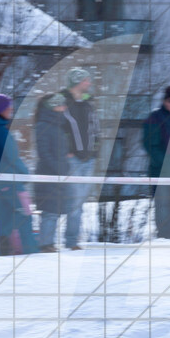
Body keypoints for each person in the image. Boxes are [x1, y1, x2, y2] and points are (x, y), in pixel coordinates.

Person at [0, 93, 37, 254]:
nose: (11, 110)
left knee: (4, 223)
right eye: (9, 107)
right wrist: (25, 173)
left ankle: (2, 256)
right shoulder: (0, 130)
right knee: (25, 219)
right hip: (11, 183)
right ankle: (33, 256)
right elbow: (13, 157)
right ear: (0, 109)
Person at [59, 67, 99, 250]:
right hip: (72, 159)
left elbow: (95, 128)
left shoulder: (89, 102)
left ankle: (72, 239)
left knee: (80, 201)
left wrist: (95, 150)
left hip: (88, 159)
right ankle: (70, 241)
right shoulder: (62, 100)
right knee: (73, 200)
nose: (89, 83)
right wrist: (65, 149)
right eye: (86, 80)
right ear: (77, 82)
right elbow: (54, 127)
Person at [142, 86, 170, 239]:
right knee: (161, 204)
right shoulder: (154, 117)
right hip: (159, 170)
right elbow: (149, 144)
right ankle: (163, 234)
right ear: (165, 101)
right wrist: (163, 162)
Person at [34, 93, 72, 252]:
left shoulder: (57, 125)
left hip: (57, 174)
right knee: (50, 211)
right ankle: (45, 244)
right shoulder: (44, 125)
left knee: (54, 210)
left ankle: (48, 243)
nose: (65, 107)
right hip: (49, 175)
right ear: (53, 106)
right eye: (61, 104)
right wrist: (59, 169)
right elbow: (44, 153)